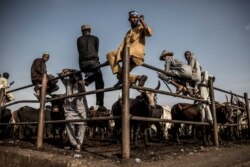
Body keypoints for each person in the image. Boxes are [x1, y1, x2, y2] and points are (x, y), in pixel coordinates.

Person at [106, 10, 153, 87]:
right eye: (132, 17)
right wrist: (111, 60)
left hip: (134, 54)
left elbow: (149, 33)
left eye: (136, 17)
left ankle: (126, 79)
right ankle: (138, 78)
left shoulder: (141, 28)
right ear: (129, 19)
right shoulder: (128, 33)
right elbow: (123, 45)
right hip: (126, 53)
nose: (134, 19)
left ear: (138, 19)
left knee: (112, 57)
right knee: (119, 74)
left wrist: (142, 21)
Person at [59, 69, 88, 152]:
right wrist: (64, 72)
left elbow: (82, 89)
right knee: (68, 124)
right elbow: (61, 76)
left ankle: (79, 143)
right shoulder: (67, 83)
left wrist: (71, 71)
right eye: (71, 76)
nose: (72, 78)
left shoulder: (80, 84)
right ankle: (74, 143)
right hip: (69, 108)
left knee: (82, 126)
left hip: (80, 109)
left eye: (74, 76)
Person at [77, 24, 104, 109]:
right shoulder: (96, 38)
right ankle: (100, 104)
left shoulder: (79, 39)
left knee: (96, 75)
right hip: (93, 62)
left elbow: (79, 51)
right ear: (90, 30)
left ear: (82, 31)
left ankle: (86, 81)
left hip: (82, 64)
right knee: (100, 80)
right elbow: (96, 51)